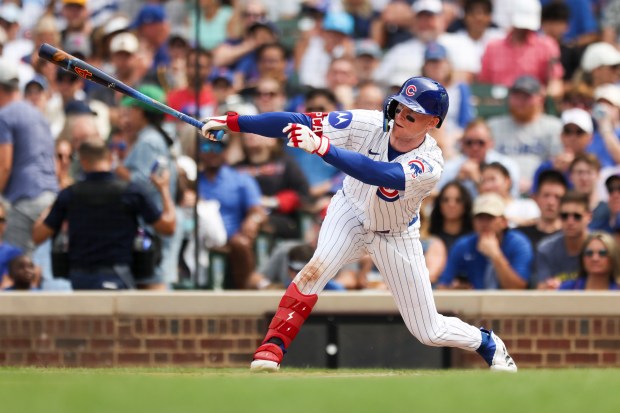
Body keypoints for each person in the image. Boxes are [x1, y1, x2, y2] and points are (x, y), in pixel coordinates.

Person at [200, 76, 517, 372]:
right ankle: (273, 346)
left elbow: (380, 174)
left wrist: (324, 149)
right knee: (317, 267)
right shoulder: (369, 122)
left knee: (428, 331)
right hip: (350, 211)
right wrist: (232, 122)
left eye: (414, 113)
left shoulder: (431, 162)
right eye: (400, 106)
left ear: (433, 122)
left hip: (394, 234)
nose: (402, 114)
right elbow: (298, 121)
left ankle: (486, 342)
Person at [32, 138, 176, 290]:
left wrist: (57, 197)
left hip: (81, 278)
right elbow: (168, 227)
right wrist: (164, 189)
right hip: (119, 275)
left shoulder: (70, 195)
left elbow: (38, 235)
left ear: (82, 161)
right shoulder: (131, 192)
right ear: (110, 158)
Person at [0, 57, 58, 254]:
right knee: (39, 272)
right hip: (51, 199)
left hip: (26, 202)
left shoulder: (4, 115)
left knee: (14, 266)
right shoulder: (38, 115)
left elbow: (4, 166)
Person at [437, 192, 533, 290]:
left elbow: (518, 288)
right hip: (472, 304)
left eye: (490, 218)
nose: (484, 223)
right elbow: (442, 286)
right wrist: (455, 290)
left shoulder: (518, 243)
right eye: (480, 218)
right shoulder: (463, 245)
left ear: (504, 222)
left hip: (509, 304)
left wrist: (496, 256)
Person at [536, 191, 591, 289]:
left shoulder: (601, 248)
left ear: (589, 217)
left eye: (577, 216)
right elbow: (541, 289)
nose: (570, 222)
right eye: (564, 216)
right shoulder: (546, 249)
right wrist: (548, 287)